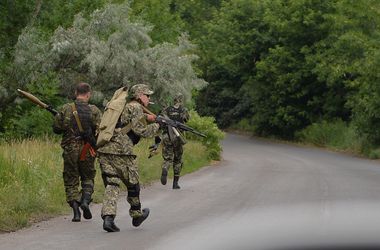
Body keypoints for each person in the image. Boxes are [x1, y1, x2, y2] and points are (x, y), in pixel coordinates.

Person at [97, 84, 160, 232]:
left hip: (105, 148)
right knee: (133, 184)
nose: (149, 98)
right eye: (147, 95)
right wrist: (157, 126)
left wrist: (147, 117)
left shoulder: (122, 105)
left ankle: (108, 218)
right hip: (122, 151)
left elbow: (126, 122)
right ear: (139, 95)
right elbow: (141, 131)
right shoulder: (136, 107)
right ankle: (136, 215)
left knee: (112, 183)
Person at [52, 82, 102, 222]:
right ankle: (85, 201)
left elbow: (56, 129)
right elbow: (100, 131)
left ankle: (76, 212)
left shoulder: (66, 108)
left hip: (70, 149)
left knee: (71, 180)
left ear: (76, 93)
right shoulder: (94, 110)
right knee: (88, 177)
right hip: (87, 149)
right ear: (88, 94)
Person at [160, 93, 190, 189]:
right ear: (181, 100)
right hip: (178, 137)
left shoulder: (166, 110)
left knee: (168, 158)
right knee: (177, 160)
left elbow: (161, 122)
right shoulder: (183, 110)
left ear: (173, 99)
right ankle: (175, 183)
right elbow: (186, 119)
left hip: (167, 136)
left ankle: (165, 168)